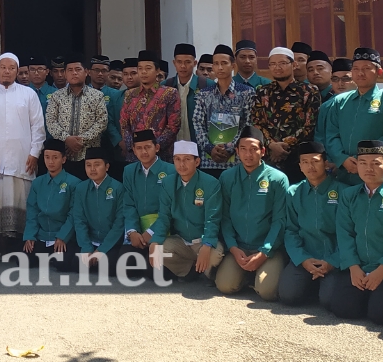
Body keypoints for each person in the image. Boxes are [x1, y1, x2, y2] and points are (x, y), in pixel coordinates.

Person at [327, 140, 383, 325]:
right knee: (343, 309)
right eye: (363, 163)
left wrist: (381, 271)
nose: (369, 168)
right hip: (359, 266)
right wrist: (353, 267)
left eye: (376, 163)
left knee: (381, 316)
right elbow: (345, 233)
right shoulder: (349, 195)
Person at [0, 53, 45, 250]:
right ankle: (2, 246)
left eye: (11, 68)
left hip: (24, 158)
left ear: (17, 71)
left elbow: (38, 126)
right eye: (3, 67)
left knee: (25, 201)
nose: (7, 71)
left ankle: (26, 245)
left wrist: (35, 153)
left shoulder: (28, 94)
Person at [215, 126, 290, 300]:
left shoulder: (278, 179)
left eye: (254, 149)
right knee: (225, 286)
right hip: (239, 248)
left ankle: (264, 272)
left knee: (267, 292)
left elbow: (280, 221)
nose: (248, 154)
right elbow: (225, 218)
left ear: (263, 151)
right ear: (237, 152)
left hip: (267, 249)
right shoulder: (227, 178)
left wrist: (264, 252)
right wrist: (233, 248)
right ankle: (248, 275)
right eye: (243, 149)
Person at [324, 48, 383, 186]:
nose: (360, 73)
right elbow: (331, 134)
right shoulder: (340, 101)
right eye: (356, 68)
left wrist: (363, 160)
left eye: (367, 68)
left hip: (375, 172)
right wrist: (342, 159)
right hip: (345, 173)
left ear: (379, 72)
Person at [277, 142, 342, 308]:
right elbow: (291, 230)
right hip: (306, 255)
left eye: (315, 161)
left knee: (329, 301)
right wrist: (303, 259)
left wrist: (333, 261)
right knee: (288, 296)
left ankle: (321, 285)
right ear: (299, 166)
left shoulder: (343, 192)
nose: (310, 166)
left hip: (333, 258)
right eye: (305, 162)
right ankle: (312, 282)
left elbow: (349, 233)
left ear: (325, 163)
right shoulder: (293, 192)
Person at [149, 141, 224, 280]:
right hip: (182, 241)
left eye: (187, 159)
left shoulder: (211, 183)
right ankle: (190, 270)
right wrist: (155, 241)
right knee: (159, 250)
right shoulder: (168, 183)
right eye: (177, 159)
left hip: (202, 240)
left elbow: (212, 219)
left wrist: (207, 245)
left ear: (197, 162)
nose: (181, 164)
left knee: (216, 255)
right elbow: (163, 217)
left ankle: (206, 271)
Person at [250, 46, 319, 183]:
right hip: (268, 157)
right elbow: (257, 123)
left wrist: (283, 146)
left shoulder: (309, 91)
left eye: (282, 63)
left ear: (294, 65)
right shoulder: (262, 92)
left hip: (297, 158)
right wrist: (271, 145)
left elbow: (309, 125)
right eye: (273, 64)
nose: (277, 67)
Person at [191, 45, 254, 176]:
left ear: (233, 65)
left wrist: (230, 148)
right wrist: (209, 148)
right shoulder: (203, 94)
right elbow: (197, 124)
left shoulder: (246, 93)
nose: (220, 67)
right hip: (209, 161)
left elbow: (248, 124)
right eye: (216, 64)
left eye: (224, 63)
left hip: (236, 160)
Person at [71, 147, 133, 275]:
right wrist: (86, 247)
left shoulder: (118, 188)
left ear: (107, 166)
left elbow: (119, 223)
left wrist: (101, 250)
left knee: (110, 267)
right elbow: (79, 220)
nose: (92, 169)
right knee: (74, 264)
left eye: (97, 165)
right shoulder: (81, 188)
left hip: (111, 242)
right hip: (91, 241)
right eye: (88, 165)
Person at [45, 56, 107, 180]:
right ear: (65, 73)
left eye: (78, 69)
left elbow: (102, 122)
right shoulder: (57, 96)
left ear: (86, 72)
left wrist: (81, 140)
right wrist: (67, 139)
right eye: (70, 70)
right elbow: (51, 121)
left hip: (89, 155)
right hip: (63, 155)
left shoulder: (97, 96)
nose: (74, 73)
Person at [122, 130, 176, 268]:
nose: (143, 152)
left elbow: (171, 208)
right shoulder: (129, 171)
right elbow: (129, 205)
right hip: (139, 231)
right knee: (127, 266)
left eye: (147, 147)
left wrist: (152, 232)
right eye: (139, 148)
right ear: (133, 150)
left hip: (164, 229)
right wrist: (133, 231)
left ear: (156, 148)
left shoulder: (171, 170)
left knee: (154, 271)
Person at [21, 139, 80, 266]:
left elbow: (73, 214)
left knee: (64, 263)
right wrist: (30, 236)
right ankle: (48, 257)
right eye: (47, 157)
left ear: (63, 159)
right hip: (42, 235)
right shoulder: (37, 183)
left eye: (55, 157)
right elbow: (32, 211)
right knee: (23, 260)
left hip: (62, 236)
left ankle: (51, 257)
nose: (51, 161)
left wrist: (63, 236)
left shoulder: (74, 183)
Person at [120, 50, 180, 162]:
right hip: (135, 155)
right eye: (140, 68)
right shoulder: (130, 94)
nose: (143, 72)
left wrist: (154, 147)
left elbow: (173, 126)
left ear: (157, 71)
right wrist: (134, 147)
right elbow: (124, 124)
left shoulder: (169, 93)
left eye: (148, 68)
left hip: (161, 154)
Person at [91, 56, 125, 180]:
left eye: (104, 70)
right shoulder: (83, 93)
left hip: (112, 145)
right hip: (90, 144)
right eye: (96, 70)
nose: (100, 74)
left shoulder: (116, 94)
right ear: (89, 72)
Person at [314, 58, 355, 147]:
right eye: (335, 79)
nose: (340, 83)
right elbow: (320, 136)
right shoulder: (326, 106)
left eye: (346, 79)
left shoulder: (366, 102)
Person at [167, 43, 202, 143]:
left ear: (195, 63)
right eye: (179, 62)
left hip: (199, 145)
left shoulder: (206, 86)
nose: (183, 66)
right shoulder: (166, 86)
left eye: (187, 62)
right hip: (172, 145)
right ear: (174, 63)